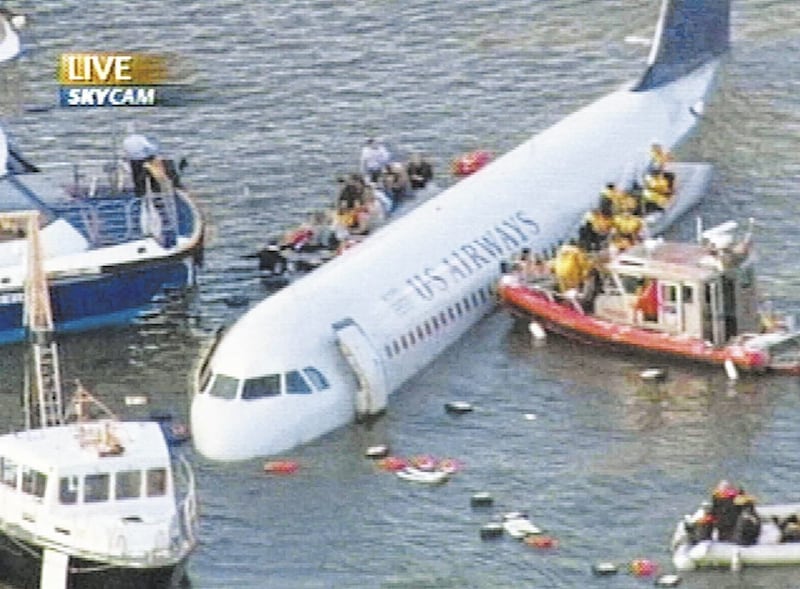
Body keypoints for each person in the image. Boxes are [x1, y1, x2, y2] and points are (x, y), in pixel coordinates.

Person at [122, 123, 159, 197]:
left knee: (138, 180)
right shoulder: (141, 138)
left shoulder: (125, 140)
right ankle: (156, 195)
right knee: (153, 178)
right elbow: (151, 148)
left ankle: (139, 195)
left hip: (133, 161)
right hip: (145, 160)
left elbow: (126, 151)